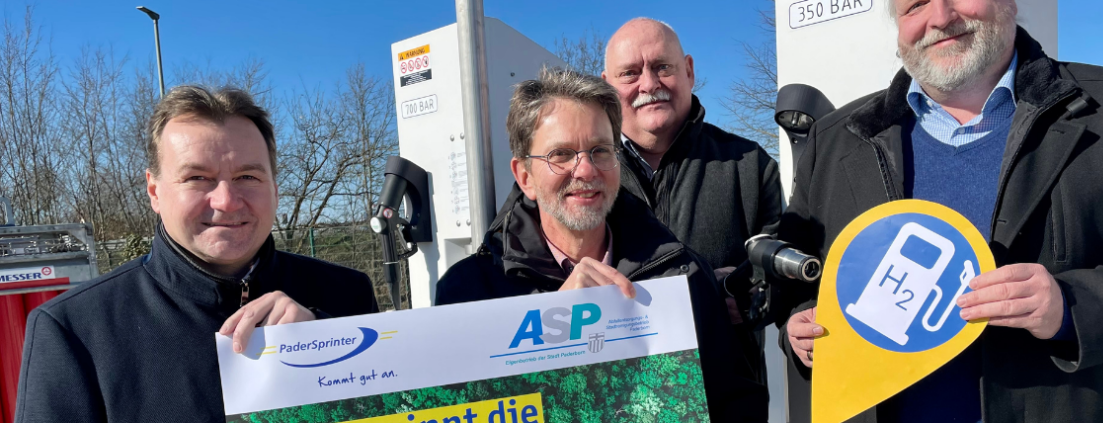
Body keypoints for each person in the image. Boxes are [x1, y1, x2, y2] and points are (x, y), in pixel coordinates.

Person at [777, 0, 1103, 421]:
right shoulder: (834, 139)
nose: (940, 17)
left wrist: (1071, 305)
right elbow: (795, 275)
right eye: (915, 6)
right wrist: (798, 323)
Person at [14, 86, 379, 422]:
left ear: (275, 188)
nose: (226, 201)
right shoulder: (75, 329)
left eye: (248, 177)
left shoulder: (346, 296)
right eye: (197, 178)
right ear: (154, 192)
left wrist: (325, 346)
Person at [434, 68, 768, 421]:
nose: (586, 170)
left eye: (600, 150)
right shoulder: (468, 294)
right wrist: (554, 333)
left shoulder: (681, 276)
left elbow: (736, 402)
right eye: (561, 154)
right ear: (525, 177)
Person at [602, 16, 784, 386]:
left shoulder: (750, 165)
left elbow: (786, 272)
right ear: (607, 88)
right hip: (615, 398)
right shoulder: (582, 176)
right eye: (630, 73)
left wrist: (751, 295)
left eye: (662, 67)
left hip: (728, 403)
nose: (649, 84)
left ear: (688, 71)